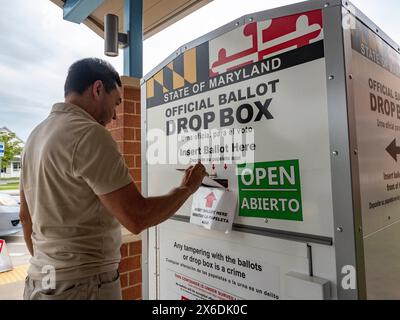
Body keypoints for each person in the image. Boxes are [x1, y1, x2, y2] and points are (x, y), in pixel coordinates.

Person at [19, 58, 207, 300]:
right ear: (98, 89)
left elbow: (26, 218)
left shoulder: (35, 136)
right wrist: (188, 188)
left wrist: (52, 263)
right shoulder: (89, 133)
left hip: (39, 280)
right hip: (84, 286)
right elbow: (137, 217)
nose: (115, 116)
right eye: (116, 102)